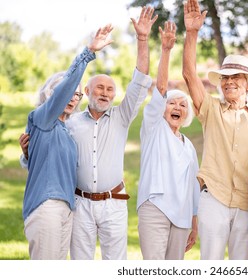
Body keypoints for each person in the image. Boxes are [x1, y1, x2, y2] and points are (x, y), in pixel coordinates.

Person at [19, 6, 157, 260]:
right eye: (99, 88)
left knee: (115, 264)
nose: (105, 92)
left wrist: (142, 40)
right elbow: (46, 156)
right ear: (88, 92)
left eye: (110, 89)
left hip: (112, 202)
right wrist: (29, 153)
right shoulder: (67, 123)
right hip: (78, 204)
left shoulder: (120, 116)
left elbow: (139, 81)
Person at [182, 0, 248, 260]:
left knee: (242, 265)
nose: (229, 81)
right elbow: (189, 75)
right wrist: (192, 34)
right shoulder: (211, 109)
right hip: (214, 199)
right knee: (210, 263)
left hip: (247, 203)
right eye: (225, 77)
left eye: (236, 77)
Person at [21, 24, 113, 260]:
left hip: (66, 208)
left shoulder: (65, 129)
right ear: (51, 94)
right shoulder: (42, 117)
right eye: (66, 92)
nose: (72, 97)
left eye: (76, 94)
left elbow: (45, 161)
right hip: (46, 206)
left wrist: (28, 155)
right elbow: (66, 87)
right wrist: (88, 53)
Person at [137, 20, 199, 260]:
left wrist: (194, 223)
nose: (177, 107)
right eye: (172, 102)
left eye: (183, 105)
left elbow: (194, 187)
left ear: (186, 114)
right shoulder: (154, 128)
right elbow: (161, 87)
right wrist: (166, 51)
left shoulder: (189, 146)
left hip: (182, 216)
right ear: (162, 108)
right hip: (155, 207)